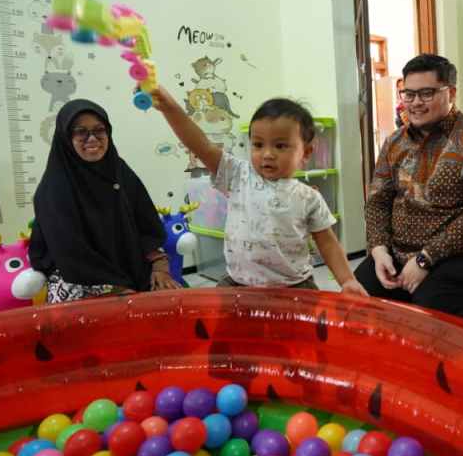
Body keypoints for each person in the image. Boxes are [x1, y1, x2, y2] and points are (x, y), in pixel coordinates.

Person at [152, 89, 367, 295]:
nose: (267, 154)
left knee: (299, 333)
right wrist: (170, 108)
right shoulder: (237, 175)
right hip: (238, 283)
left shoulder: (308, 197)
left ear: (306, 152)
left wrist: (348, 280)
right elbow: (201, 146)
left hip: (294, 286)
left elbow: (328, 242)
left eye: (280, 146)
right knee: (227, 332)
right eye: (258, 144)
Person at [356, 54, 463, 322]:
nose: (414, 103)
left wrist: (426, 259)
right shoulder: (394, 142)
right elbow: (378, 201)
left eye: (426, 93)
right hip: (397, 252)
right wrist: (379, 250)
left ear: (451, 93)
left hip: (459, 255)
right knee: (356, 304)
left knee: (432, 322)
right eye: (408, 94)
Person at [30, 99, 180, 303]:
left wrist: (159, 265)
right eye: (81, 131)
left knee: (173, 306)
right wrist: (115, 288)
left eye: (99, 130)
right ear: (66, 138)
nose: (92, 138)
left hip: (132, 269)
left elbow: (146, 224)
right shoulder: (54, 189)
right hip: (78, 279)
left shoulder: (119, 171)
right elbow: (70, 254)